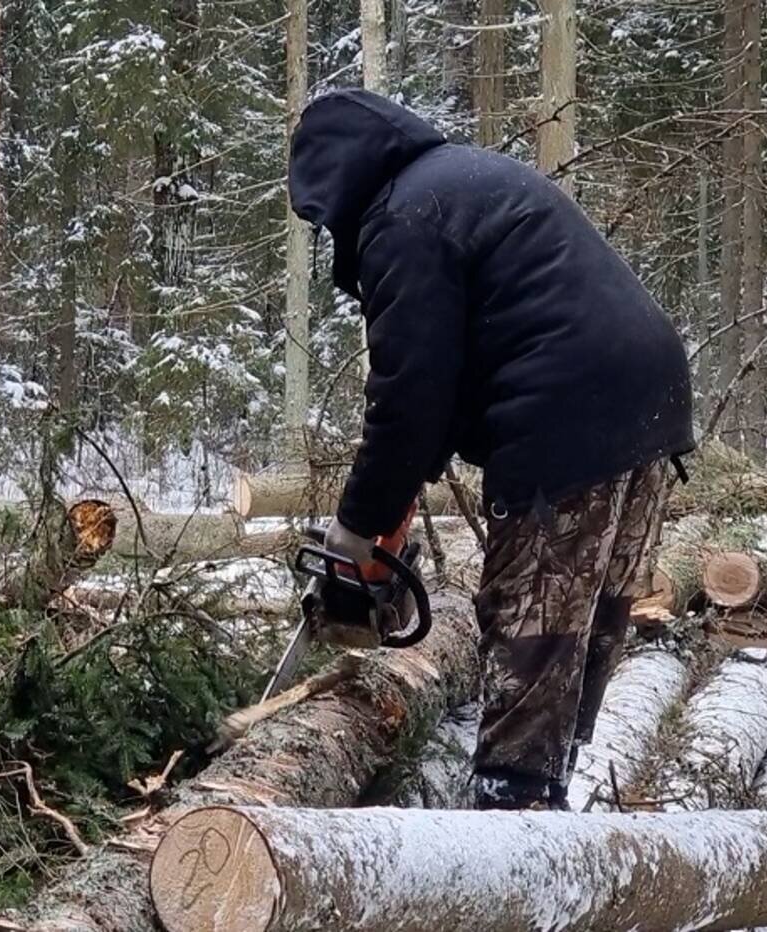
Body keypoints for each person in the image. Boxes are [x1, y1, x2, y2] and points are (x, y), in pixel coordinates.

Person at [287, 89, 694, 810]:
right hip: (649, 393)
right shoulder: (458, 181)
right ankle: (548, 793)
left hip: (569, 406)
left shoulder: (402, 220)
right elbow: (445, 382)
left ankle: (513, 817)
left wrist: (356, 530)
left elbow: (408, 398)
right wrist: (392, 512)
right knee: (582, 624)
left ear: (337, 183)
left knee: (530, 628)